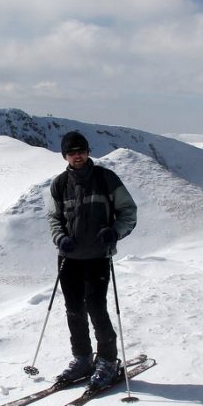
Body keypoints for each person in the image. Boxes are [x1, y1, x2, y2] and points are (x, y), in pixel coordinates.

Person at [47, 131, 138, 390]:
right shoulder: (59, 184)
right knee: (74, 310)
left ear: (88, 152)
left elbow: (128, 212)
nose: (77, 155)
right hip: (68, 258)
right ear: (65, 155)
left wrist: (115, 232)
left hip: (98, 256)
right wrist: (60, 238)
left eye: (81, 150)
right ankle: (83, 359)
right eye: (72, 152)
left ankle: (108, 360)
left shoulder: (106, 179)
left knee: (97, 309)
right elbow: (53, 218)